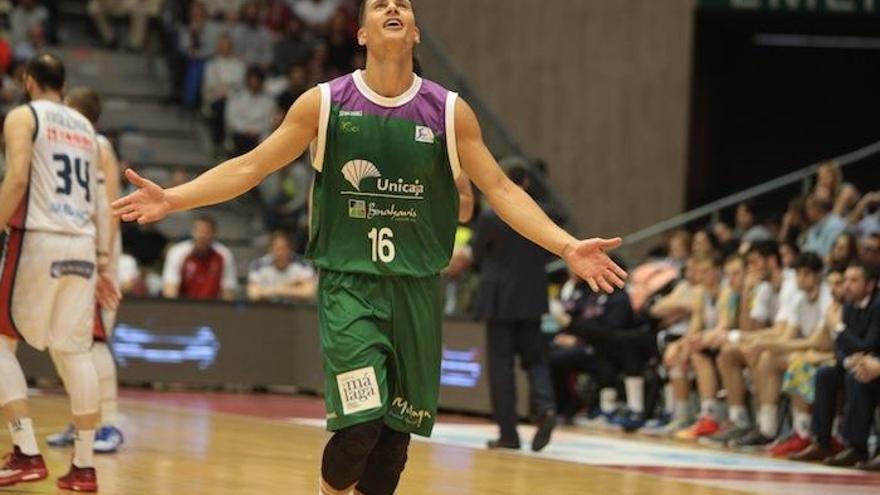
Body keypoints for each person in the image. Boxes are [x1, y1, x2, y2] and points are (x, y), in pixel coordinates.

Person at [112, 1, 627, 493]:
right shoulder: (325, 102)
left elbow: (502, 189)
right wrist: (173, 199)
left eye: (402, 4)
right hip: (350, 288)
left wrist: (566, 245)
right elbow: (252, 166)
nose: (393, 9)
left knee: (392, 443)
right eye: (379, 5)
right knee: (360, 426)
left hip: (417, 292)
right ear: (360, 33)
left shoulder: (449, 112)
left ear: (416, 31)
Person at [0, 53, 118, 492]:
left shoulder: (23, 115)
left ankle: (26, 452)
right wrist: (104, 261)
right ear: (63, 85)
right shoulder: (87, 130)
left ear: (28, 80)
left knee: (0, 341)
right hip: (83, 246)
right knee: (75, 353)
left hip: (39, 238)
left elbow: (15, 181)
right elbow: (104, 201)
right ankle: (83, 466)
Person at [45, 87, 126, 454]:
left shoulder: (99, 145)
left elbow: (113, 206)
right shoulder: (67, 146)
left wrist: (104, 261)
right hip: (71, 247)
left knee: (91, 340)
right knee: (63, 341)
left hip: (97, 252)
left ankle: (109, 423)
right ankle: (84, 419)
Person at [471, 165, 557, 451]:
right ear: (528, 181)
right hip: (532, 295)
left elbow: (477, 253)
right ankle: (545, 407)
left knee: (501, 367)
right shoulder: (541, 211)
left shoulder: (490, 214)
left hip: (499, 298)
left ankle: (509, 434)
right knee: (536, 359)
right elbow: (550, 248)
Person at [791, 262, 879, 465]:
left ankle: (856, 447)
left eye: (854, 280)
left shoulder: (877, 306)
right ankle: (821, 442)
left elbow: (869, 344)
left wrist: (838, 326)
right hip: (857, 363)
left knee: (857, 378)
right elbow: (840, 348)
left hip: (873, 365)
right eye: (846, 280)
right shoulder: (848, 305)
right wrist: (847, 360)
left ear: (870, 285)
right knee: (825, 374)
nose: (846, 285)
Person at [161, 214, 237, 300]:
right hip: (183, 306)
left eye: (207, 232)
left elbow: (229, 289)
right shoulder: (177, 253)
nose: (203, 236)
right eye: (200, 231)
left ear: (214, 233)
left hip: (213, 307)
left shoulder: (224, 255)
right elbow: (170, 288)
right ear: (193, 232)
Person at [247, 230, 317, 303]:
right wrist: (291, 285)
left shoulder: (303, 264)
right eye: (277, 249)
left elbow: (309, 292)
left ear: (290, 249)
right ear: (270, 250)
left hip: (298, 311)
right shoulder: (259, 265)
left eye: (284, 249)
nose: (281, 253)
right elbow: (253, 294)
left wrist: (270, 290)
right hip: (268, 311)